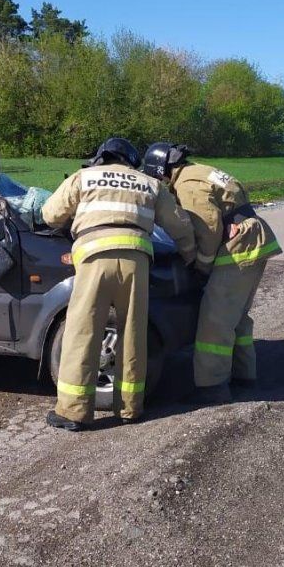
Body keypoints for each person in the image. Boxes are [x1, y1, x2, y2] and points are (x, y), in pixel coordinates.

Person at [41, 137, 196, 431]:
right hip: (136, 261)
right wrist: (190, 256)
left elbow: (49, 214)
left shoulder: (84, 177)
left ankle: (73, 412)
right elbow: (179, 225)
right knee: (132, 331)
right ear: (131, 161)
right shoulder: (150, 184)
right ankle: (130, 408)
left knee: (83, 330)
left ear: (101, 158)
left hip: (93, 257)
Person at [142, 143, 282, 403]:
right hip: (252, 239)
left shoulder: (188, 184)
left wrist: (201, 267)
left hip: (239, 246)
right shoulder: (200, 172)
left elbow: (207, 230)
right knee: (235, 316)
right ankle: (243, 375)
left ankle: (212, 388)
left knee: (214, 319)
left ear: (162, 169)